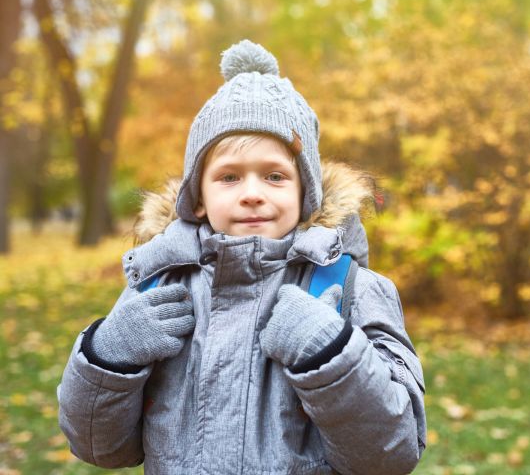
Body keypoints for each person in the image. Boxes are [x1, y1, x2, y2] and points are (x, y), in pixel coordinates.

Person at [57, 40, 426, 474]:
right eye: (229, 177)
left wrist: (331, 355)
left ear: (305, 193)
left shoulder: (350, 289)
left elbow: (391, 453)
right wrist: (109, 354)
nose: (252, 194)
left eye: (274, 175)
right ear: (197, 199)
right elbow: (100, 448)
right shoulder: (156, 287)